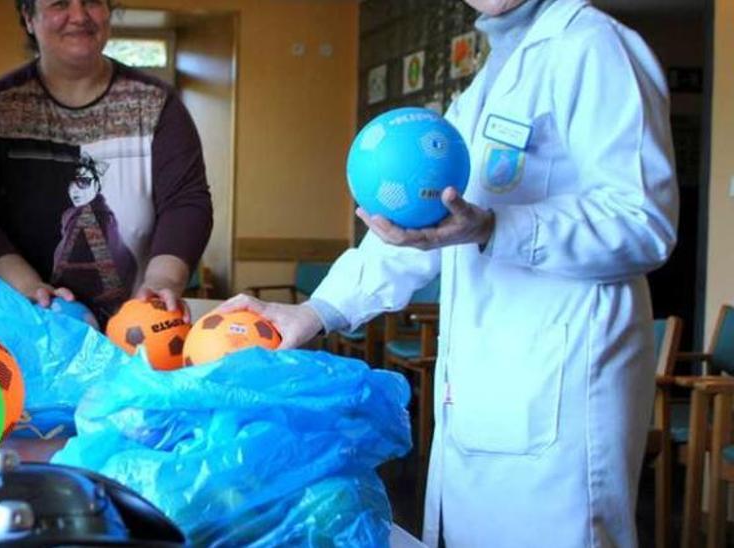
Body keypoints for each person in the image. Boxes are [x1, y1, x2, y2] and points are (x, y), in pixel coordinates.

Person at [216, 0, 678, 545]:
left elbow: (642, 223)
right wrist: (315, 310)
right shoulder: (485, 85)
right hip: (483, 402)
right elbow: (417, 232)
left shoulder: (594, 46)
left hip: (562, 397)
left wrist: (492, 229)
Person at [0, 0, 213, 325]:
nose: (79, 16)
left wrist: (163, 282)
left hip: (136, 332)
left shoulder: (159, 105)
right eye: (59, 3)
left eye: (92, 2)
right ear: (29, 17)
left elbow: (186, 201)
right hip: (26, 327)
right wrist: (29, 289)